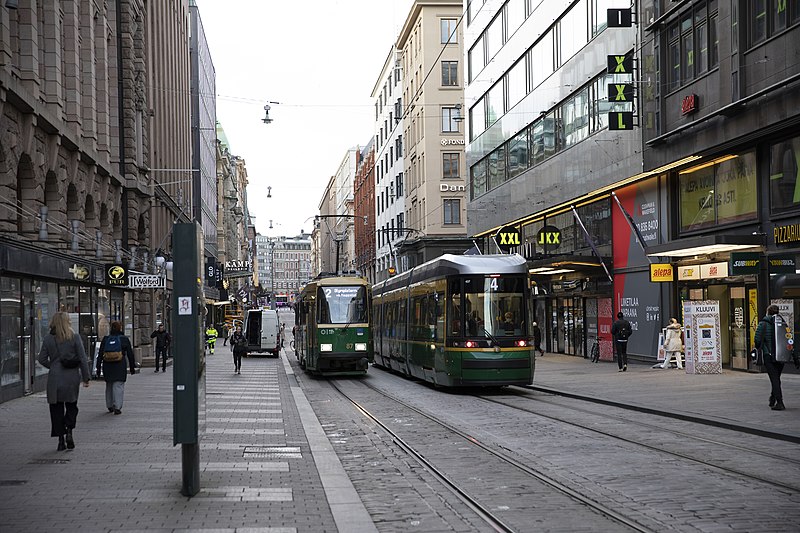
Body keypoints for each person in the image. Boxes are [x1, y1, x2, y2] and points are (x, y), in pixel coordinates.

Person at [37, 312, 90, 451]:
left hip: (55, 378)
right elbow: (82, 358)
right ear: (68, 322)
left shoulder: (48, 338)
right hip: (71, 377)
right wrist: (86, 377)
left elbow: (41, 358)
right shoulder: (74, 337)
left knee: (56, 408)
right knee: (72, 406)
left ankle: (61, 440)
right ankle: (69, 430)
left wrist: (53, 366)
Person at [754, 305, 800, 411]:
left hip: (768, 356)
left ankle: (779, 402)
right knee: (776, 378)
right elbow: (789, 339)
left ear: (767, 312)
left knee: (774, 379)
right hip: (781, 356)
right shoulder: (783, 324)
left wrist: (761, 347)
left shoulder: (763, 324)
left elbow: (757, 340)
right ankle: (773, 398)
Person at [96, 321, 136, 415]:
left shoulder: (106, 339)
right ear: (120, 328)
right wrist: (132, 367)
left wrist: (98, 368)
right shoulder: (124, 339)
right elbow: (130, 354)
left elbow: (100, 354)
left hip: (107, 365)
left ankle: (109, 405)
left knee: (109, 385)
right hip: (119, 364)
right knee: (118, 385)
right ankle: (117, 406)